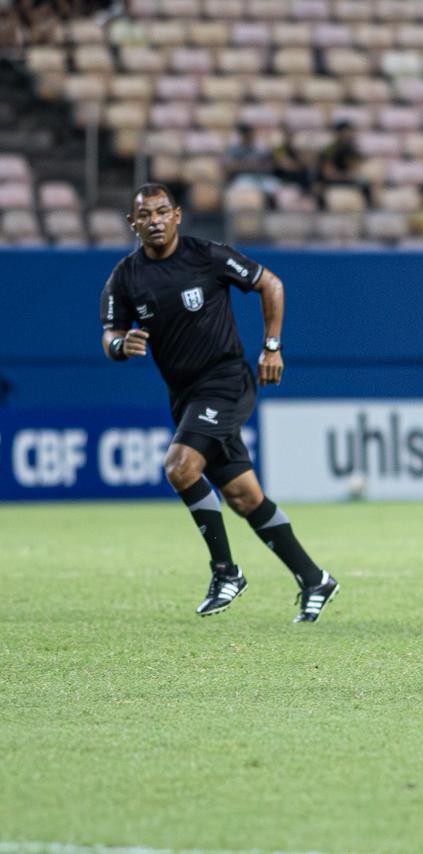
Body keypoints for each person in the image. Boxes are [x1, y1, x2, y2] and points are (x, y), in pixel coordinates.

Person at [98, 183, 340, 622]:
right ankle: (314, 577)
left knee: (179, 466)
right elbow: (110, 334)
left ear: (177, 216)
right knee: (245, 496)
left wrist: (271, 346)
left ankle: (226, 572)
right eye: (144, 215)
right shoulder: (125, 277)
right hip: (185, 395)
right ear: (132, 224)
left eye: (161, 212)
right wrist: (120, 345)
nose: (153, 221)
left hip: (226, 381)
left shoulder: (206, 256)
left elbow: (271, 283)